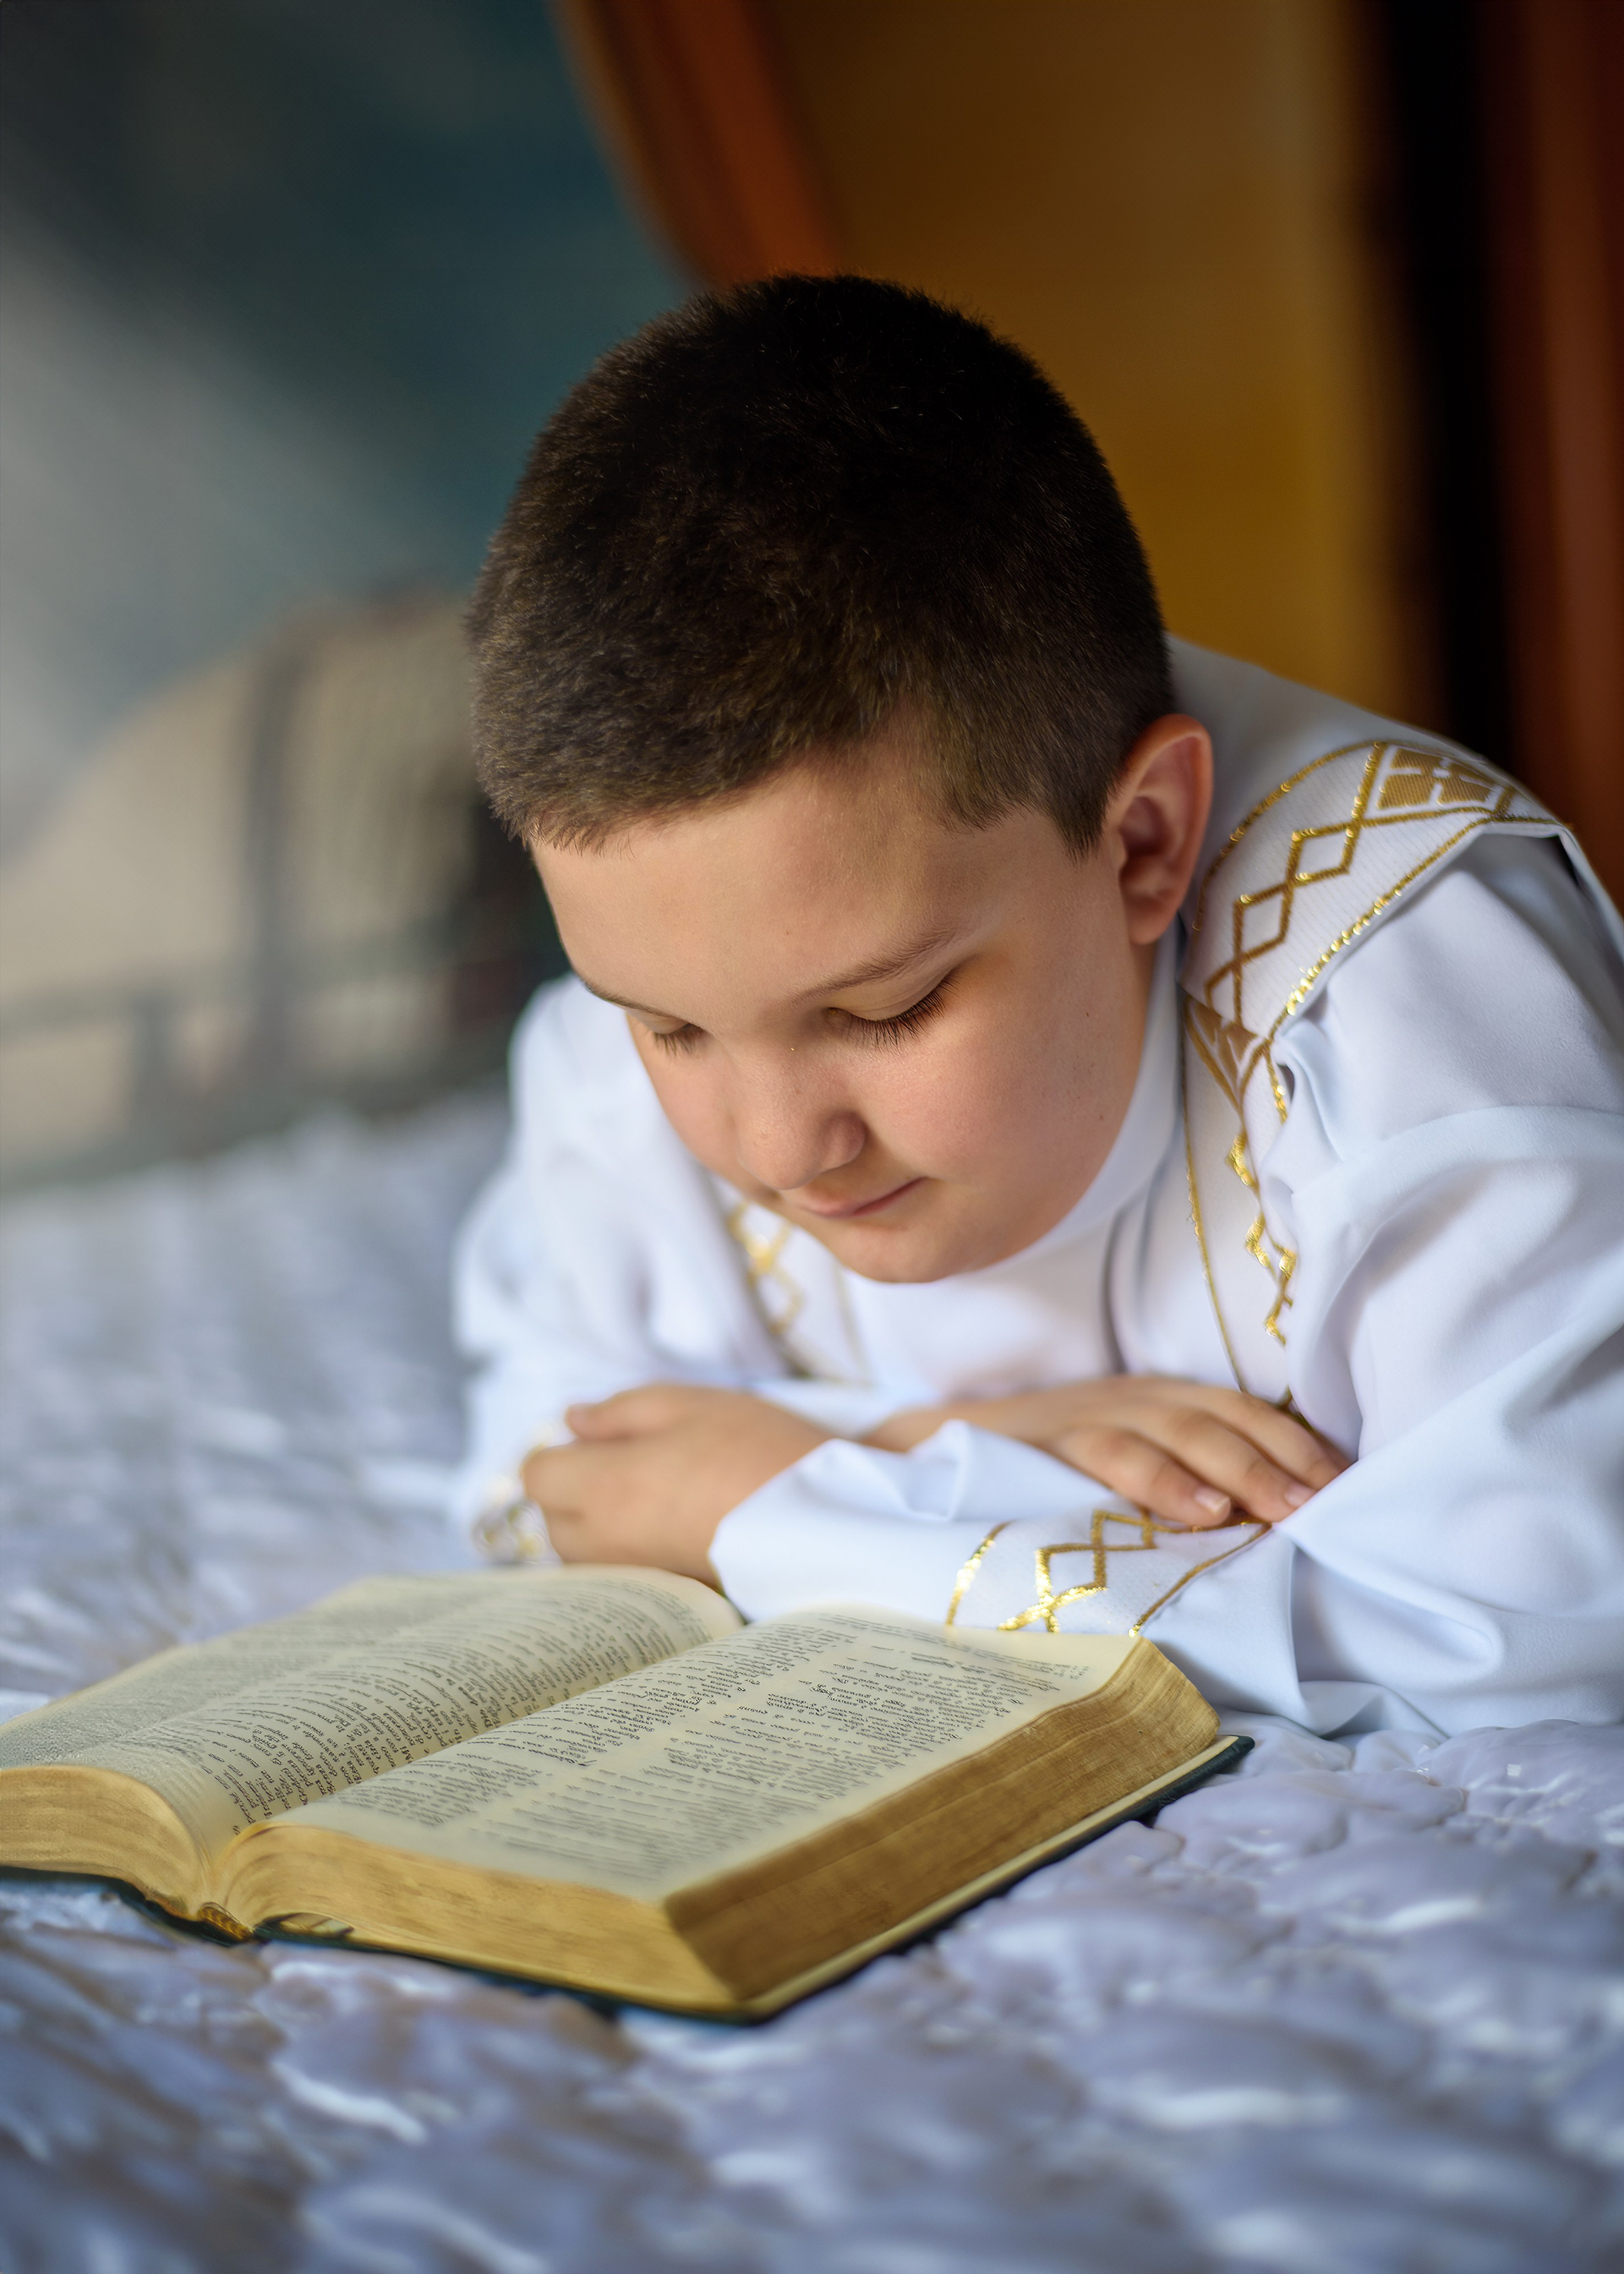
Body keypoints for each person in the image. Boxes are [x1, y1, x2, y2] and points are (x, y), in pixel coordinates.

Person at [452, 275, 1624, 1739]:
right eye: (669, 1030)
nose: (773, 1149)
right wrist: (941, 1444)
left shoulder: (1408, 995)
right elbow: (538, 1470)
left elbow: (1532, 1631)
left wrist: (769, 1503)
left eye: (882, 1009)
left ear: (1141, 843)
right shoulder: (667, 958)